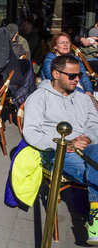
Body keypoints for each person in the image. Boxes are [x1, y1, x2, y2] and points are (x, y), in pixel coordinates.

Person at [22, 54, 98, 245]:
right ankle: (94, 220)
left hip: (88, 146)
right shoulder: (39, 97)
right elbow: (31, 132)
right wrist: (66, 143)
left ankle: (95, 217)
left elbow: (95, 122)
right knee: (95, 169)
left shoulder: (82, 98)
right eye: (71, 76)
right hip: (56, 150)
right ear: (55, 74)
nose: (77, 79)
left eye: (78, 75)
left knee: (96, 157)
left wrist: (88, 137)